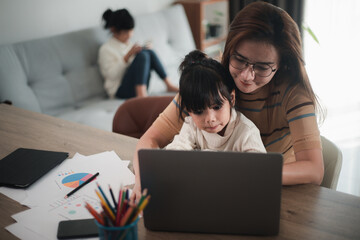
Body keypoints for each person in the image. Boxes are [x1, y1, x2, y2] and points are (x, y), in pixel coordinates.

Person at [132, 2, 324, 200]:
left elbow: (314, 170)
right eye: (239, 60)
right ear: (229, 48)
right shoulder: (209, 81)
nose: (246, 76)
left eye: (262, 67)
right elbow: (151, 139)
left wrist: (249, 172)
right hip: (212, 187)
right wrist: (142, 180)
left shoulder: (293, 93)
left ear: (281, 64)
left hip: (275, 190)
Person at [165, 50, 266, 153]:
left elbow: (260, 166)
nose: (210, 119)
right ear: (189, 110)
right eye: (199, 111)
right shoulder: (191, 126)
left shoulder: (246, 132)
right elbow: (175, 151)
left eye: (217, 107)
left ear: (231, 99)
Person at [98, 8, 178, 99]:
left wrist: (141, 52)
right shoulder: (106, 49)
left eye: (131, 30)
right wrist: (127, 56)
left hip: (135, 85)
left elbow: (137, 66)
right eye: (125, 32)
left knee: (148, 52)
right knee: (143, 55)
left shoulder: (129, 44)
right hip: (119, 90)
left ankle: (169, 85)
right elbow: (111, 75)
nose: (129, 35)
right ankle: (142, 97)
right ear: (113, 30)